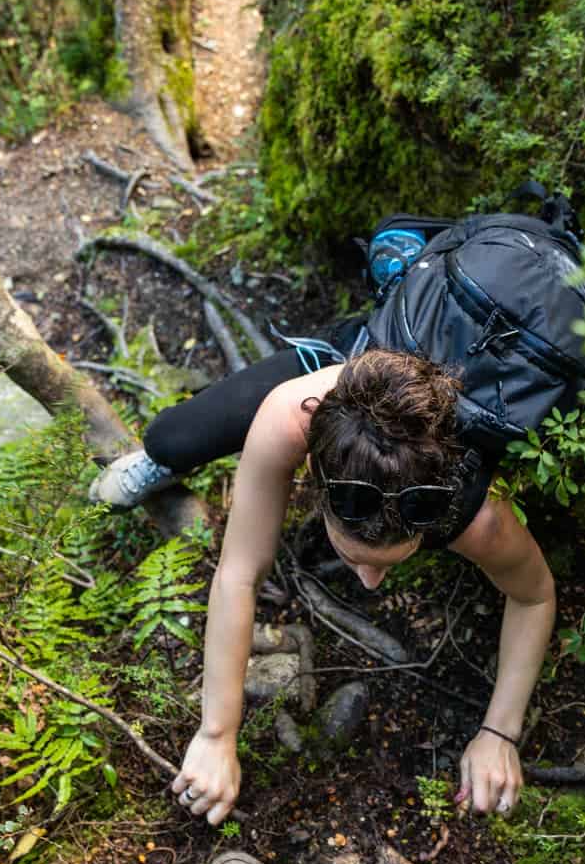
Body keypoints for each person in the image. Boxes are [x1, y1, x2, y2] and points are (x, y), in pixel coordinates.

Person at [91, 324, 558, 827]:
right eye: (356, 556)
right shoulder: (293, 413)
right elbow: (238, 572)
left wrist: (500, 733)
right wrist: (216, 734)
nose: (369, 583)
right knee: (170, 438)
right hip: (358, 367)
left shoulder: (477, 516)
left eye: (389, 562)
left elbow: (535, 596)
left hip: (493, 345)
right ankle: (163, 458)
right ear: (311, 474)